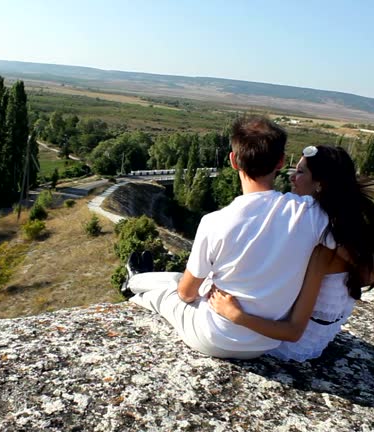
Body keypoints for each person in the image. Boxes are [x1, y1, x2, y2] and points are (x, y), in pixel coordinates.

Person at [123, 116, 336, 359]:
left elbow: (186, 294)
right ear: (280, 162)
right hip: (266, 343)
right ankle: (137, 278)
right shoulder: (312, 215)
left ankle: (133, 285)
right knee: (177, 279)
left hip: (212, 336)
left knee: (162, 295)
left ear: (233, 161)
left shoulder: (214, 222)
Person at [208, 145, 374, 361]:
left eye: (300, 172)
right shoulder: (343, 233)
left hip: (291, 346)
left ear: (320, 184)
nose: (292, 178)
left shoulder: (322, 250)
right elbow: (370, 272)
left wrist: (235, 315)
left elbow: (293, 331)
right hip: (318, 339)